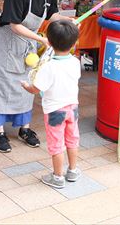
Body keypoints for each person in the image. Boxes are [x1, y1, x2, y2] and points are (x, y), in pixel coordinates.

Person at [0, 0, 72, 153]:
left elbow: (52, 16)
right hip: (8, 42)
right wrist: (41, 39)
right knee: (3, 86)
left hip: (28, 43)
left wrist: (68, 19)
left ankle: (24, 129)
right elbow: (15, 25)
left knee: (28, 84)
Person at [20, 20, 81, 189]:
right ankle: (73, 170)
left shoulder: (49, 67)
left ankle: (57, 177)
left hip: (55, 111)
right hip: (72, 108)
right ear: (74, 42)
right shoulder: (75, 62)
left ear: (50, 42)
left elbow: (36, 88)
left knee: (56, 144)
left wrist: (26, 86)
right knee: (72, 139)